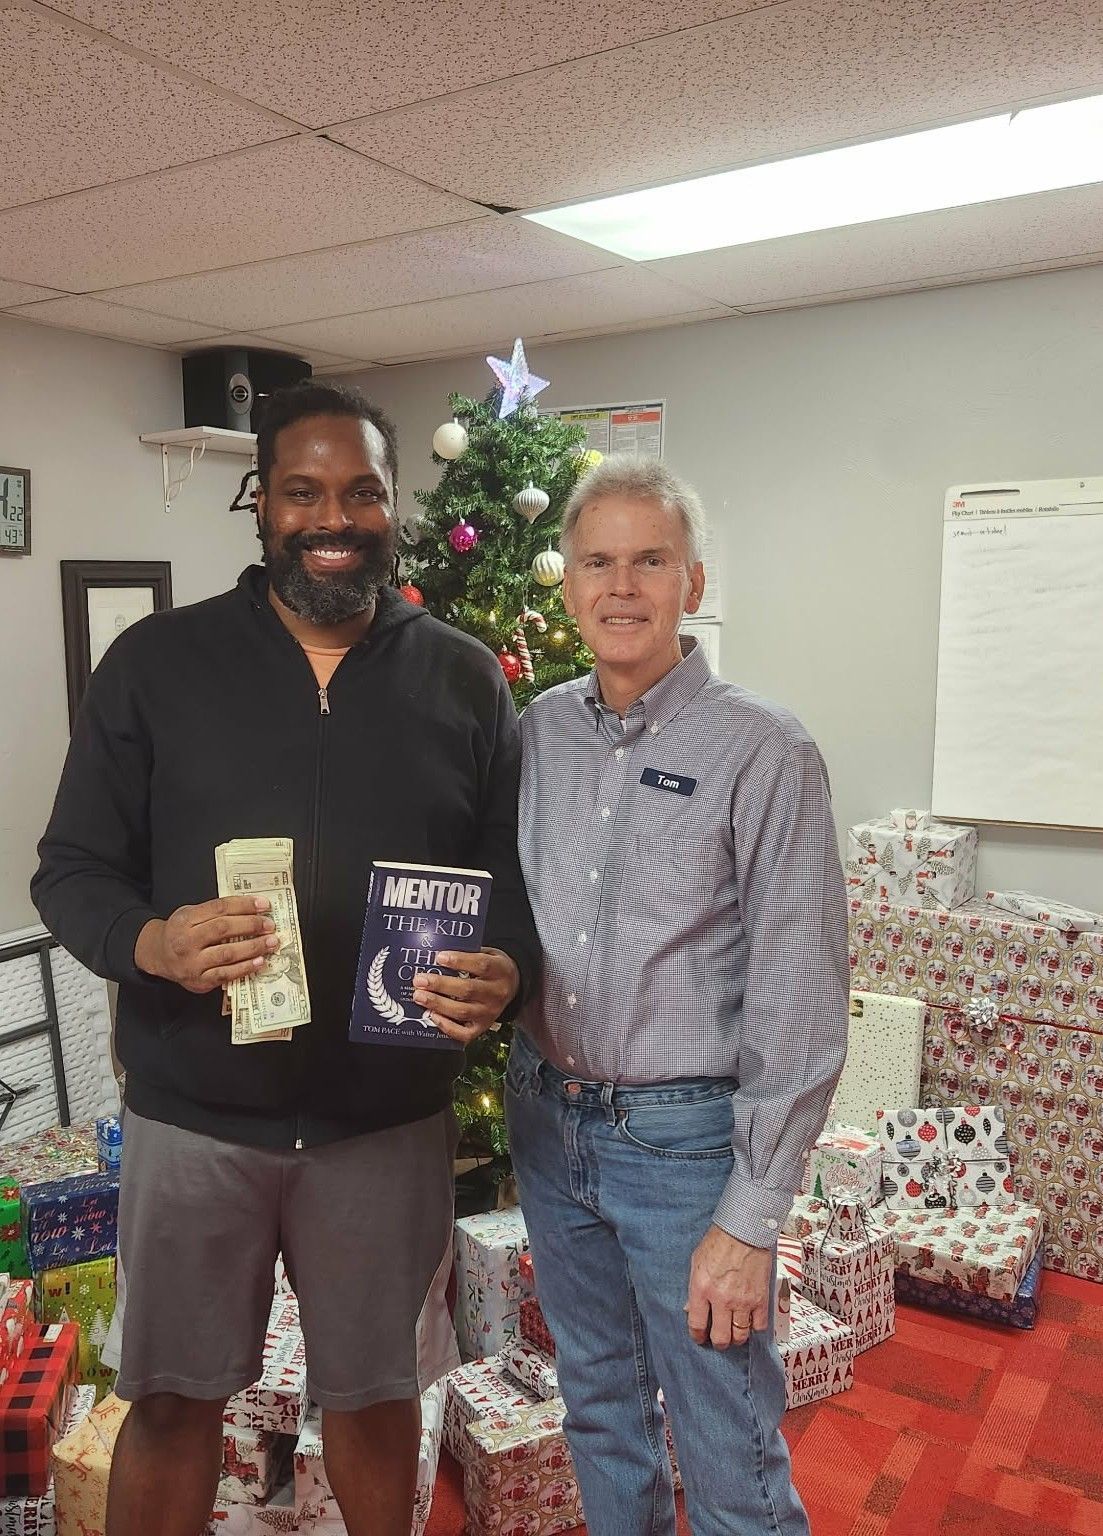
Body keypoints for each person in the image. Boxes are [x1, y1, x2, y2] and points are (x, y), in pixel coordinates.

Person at [31, 381, 539, 1536]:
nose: (334, 517)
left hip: (382, 1128)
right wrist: (151, 941)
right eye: (303, 491)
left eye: (361, 492)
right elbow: (70, 871)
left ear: (393, 504)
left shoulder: (464, 676)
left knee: (373, 1400)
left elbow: (510, 875)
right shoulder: (157, 665)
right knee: (170, 1402)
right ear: (262, 505)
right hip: (195, 1119)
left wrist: (507, 966)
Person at [503, 455, 849, 1535]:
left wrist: (750, 1219)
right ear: (565, 586)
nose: (621, 586)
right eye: (597, 561)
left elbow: (799, 993)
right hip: (547, 1126)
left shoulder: (764, 749)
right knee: (597, 1408)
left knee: (726, 1441)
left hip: (685, 1148)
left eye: (649, 560)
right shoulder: (535, 734)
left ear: (691, 584)